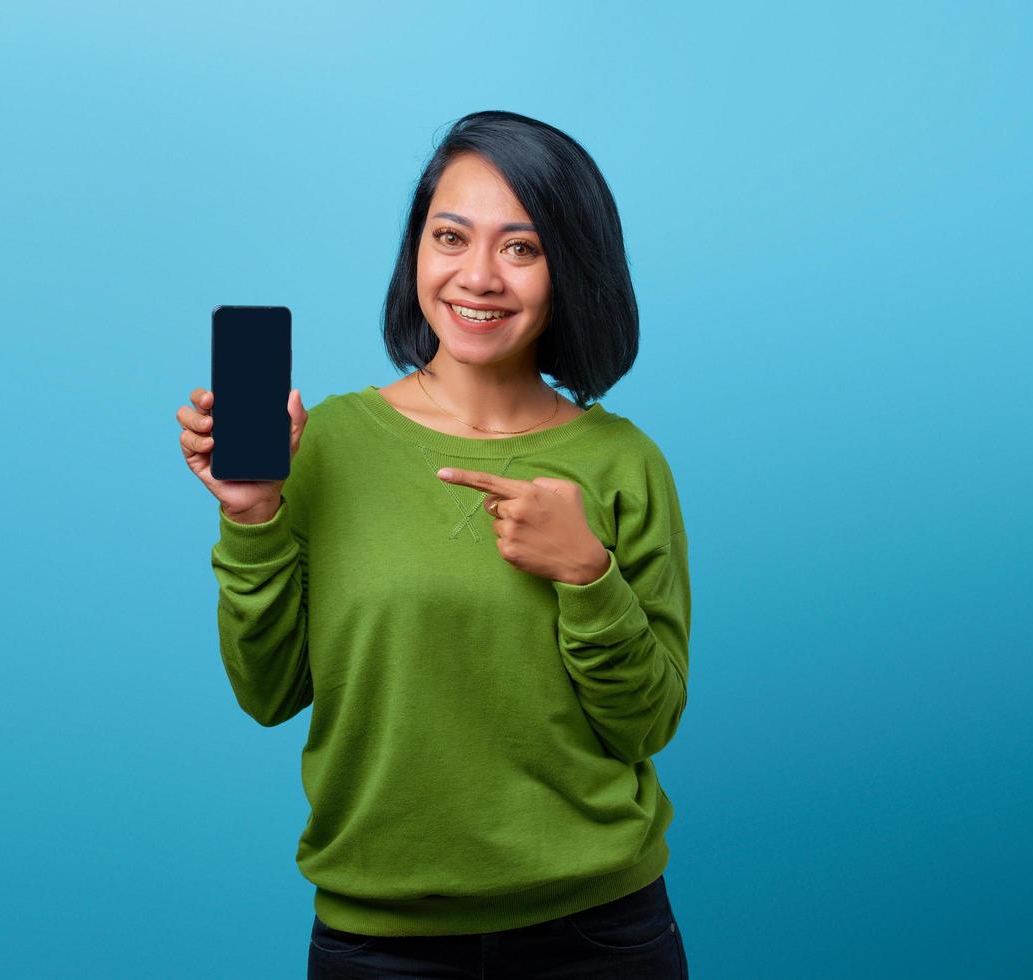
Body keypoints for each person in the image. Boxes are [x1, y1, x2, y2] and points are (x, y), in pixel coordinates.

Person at [177, 110, 692, 978]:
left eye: (521, 248)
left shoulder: (623, 462)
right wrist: (252, 518)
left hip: (600, 930)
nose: (478, 277)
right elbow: (267, 694)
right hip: (380, 941)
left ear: (570, 265)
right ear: (416, 250)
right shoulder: (328, 444)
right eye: (450, 236)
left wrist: (587, 573)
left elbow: (645, 723)